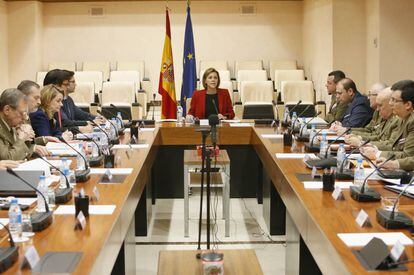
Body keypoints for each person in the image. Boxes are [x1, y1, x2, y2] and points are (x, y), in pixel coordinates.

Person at [360, 80, 414, 165]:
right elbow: (395, 147)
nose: (390, 103)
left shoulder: (412, 121)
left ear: (408, 105)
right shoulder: (401, 118)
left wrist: (377, 154)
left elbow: (408, 155)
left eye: (394, 100)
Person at [0, 88, 49, 160]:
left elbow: (19, 149)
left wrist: (32, 148)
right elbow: (8, 158)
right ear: (7, 110)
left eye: (25, 113)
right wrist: (21, 138)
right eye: (21, 113)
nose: (24, 118)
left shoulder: (11, 123)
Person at [17, 80, 60, 145]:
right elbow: (8, 152)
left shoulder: (26, 116)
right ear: (23, 97)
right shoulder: (14, 118)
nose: (39, 102)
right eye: (36, 98)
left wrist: (44, 139)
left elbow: (29, 143)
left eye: (39, 98)